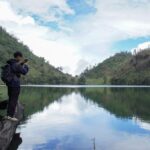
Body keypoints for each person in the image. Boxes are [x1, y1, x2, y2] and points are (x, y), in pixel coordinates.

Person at [5, 51, 29, 121]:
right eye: (21, 57)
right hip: (15, 84)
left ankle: (8, 114)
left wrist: (22, 63)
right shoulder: (16, 64)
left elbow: (16, 69)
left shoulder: (11, 63)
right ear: (18, 57)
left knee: (11, 99)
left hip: (9, 83)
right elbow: (24, 72)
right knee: (13, 99)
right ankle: (10, 116)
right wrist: (26, 66)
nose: (21, 58)